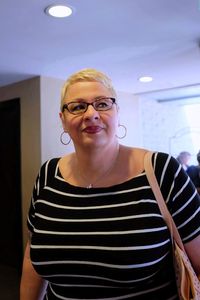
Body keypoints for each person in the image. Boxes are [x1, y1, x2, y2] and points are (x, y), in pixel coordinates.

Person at [20, 68, 200, 300]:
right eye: (77, 106)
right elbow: (32, 257)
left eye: (102, 104)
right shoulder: (47, 174)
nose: (91, 114)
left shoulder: (162, 171)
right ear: (63, 120)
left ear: (117, 112)